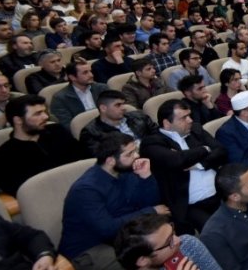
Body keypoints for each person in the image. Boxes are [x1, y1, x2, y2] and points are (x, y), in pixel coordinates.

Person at [60, 133, 168, 270]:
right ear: (110, 160)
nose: (136, 156)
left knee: (168, 242)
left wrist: (146, 177)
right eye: (129, 154)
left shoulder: (125, 171)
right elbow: (107, 229)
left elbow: (149, 203)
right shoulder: (85, 190)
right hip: (88, 248)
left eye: (135, 151)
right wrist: (150, 211)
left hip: (123, 235)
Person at [140, 100, 227, 235]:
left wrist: (199, 164)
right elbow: (177, 160)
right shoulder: (152, 142)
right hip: (191, 204)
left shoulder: (195, 129)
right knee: (217, 233)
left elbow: (221, 151)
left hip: (221, 191)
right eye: (183, 118)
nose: (190, 120)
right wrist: (204, 149)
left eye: (189, 115)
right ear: (167, 123)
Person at [0, 95, 86, 196]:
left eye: (44, 111)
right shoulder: (4, 156)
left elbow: (83, 157)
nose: (46, 117)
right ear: (18, 120)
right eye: (37, 114)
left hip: (83, 187)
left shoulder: (57, 131)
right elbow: (22, 193)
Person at [114, 213, 222, 270]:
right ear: (142, 260)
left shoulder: (188, 245)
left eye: (173, 233)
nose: (178, 240)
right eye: (169, 241)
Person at [78, 90, 159, 157]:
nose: (123, 108)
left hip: (152, 153)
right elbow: (102, 158)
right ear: (103, 108)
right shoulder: (90, 133)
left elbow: (158, 134)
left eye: (123, 104)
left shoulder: (139, 117)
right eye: (118, 105)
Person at [50, 60, 109, 128]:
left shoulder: (102, 88)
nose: (91, 75)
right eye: (85, 73)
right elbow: (67, 126)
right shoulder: (60, 98)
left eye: (90, 71)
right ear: (72, 77)